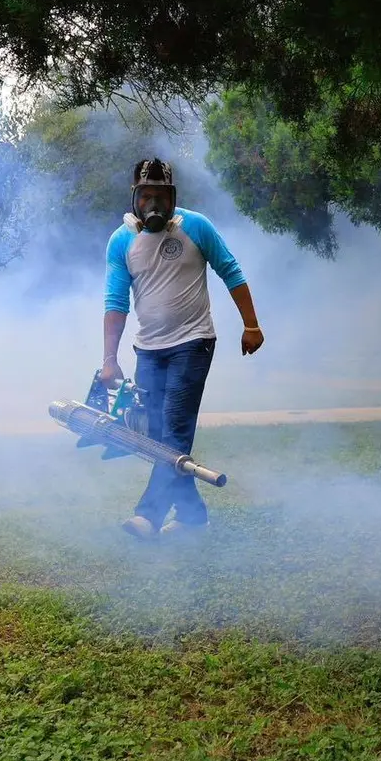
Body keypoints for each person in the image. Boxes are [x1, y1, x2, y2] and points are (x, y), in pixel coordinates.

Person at [102, 157, 265, 539]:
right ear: (134, 199)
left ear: (173, 198)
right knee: (157, 436)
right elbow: (115, 302)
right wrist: (109, 359)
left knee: (174, 428)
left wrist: (251, 324)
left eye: (161, 196)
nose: (153, 204)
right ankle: (192, 515)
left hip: (193, 344)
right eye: (146, 196)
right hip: (149, 350)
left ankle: (149, 516)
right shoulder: (122, 240)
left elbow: (231, 270)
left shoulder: (195, 226)